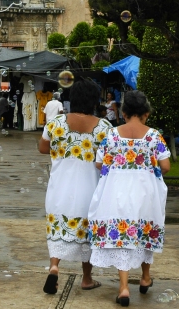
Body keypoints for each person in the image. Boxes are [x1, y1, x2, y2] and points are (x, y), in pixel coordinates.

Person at [88, 90, 171, 307]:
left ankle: (123, 288)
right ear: (146, 113)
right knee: (145, 232)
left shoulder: (112, 135)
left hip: (117, 191)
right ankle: (145, 278)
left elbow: (99, 163)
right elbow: (166, 166)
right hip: (145, 193)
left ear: (123, 113)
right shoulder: (154, 136)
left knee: (122, 235)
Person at [38, 80, 112, 294]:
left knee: (57, 229)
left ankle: (54, 266)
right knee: (87, 233)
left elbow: (43, 148)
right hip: (90, 189)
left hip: (60, 188)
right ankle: (87, 278)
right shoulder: (104, 127)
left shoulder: (56, 123)